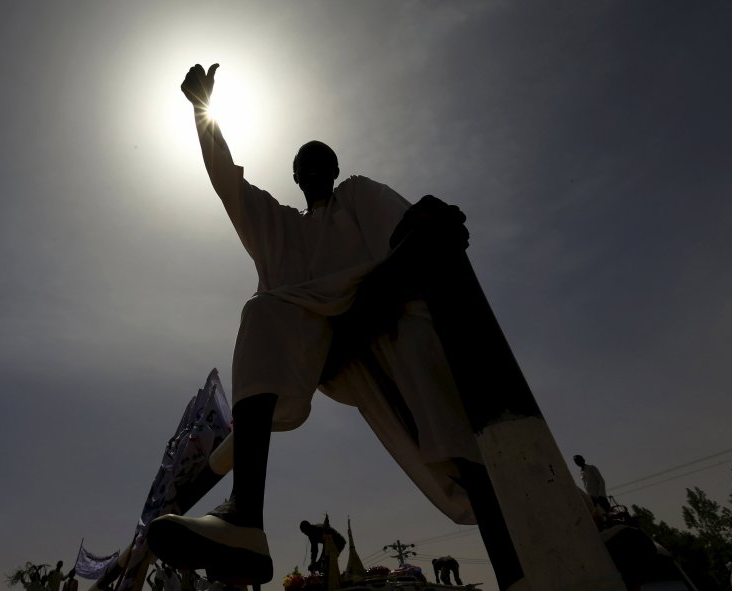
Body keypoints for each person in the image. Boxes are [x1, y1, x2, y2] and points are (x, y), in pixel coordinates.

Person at [147, 63, 525, 591]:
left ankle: (541, 548)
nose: (314, 167)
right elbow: (228, 181)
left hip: (392, 324)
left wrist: (422, 226)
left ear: (334, 167)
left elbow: (407, 230)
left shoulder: (356, 198)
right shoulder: (282, 231)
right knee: (261, 313)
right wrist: (202, 112)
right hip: (330, 350)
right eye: (305, 163)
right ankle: (245, 516)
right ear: (296, 177)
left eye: (322, 159)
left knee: (459, 450)